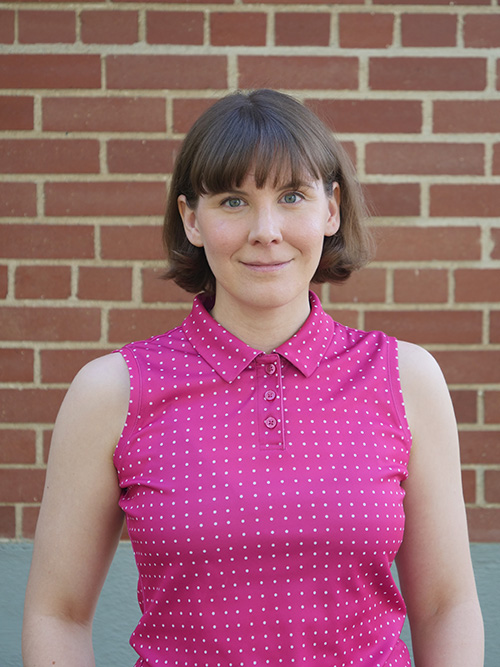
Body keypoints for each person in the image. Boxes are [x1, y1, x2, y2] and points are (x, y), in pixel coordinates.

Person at [22, 89, 483, 666]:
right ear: (192, 218)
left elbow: (446, 605)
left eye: (292, 196)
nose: (266, 230)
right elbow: (56, 614)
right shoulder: (114, 392)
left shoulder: (402, 378)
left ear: (331, 209)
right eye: (234, 201)